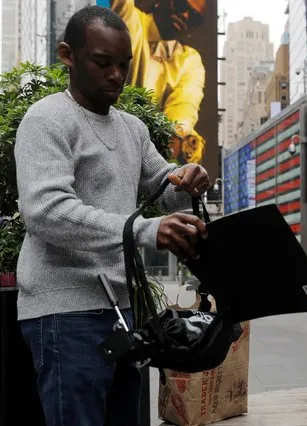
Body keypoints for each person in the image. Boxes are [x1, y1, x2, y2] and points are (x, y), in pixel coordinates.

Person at [14, 6, 210, 425]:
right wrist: (143, 229)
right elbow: (46, 211)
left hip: (123, 312)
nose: (117, 75)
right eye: (103, 63)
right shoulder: (47, 118)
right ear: (68, 55)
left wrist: (189, 179)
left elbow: (166, 188)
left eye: (124, 64)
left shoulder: (133, 129)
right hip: (63, 312)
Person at [110, 0, 207, 164]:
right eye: (182, 5)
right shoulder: (130, 19)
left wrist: (179, 137)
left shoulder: (189, 60)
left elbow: (184, 106)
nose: (185, 16)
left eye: (194, 17)